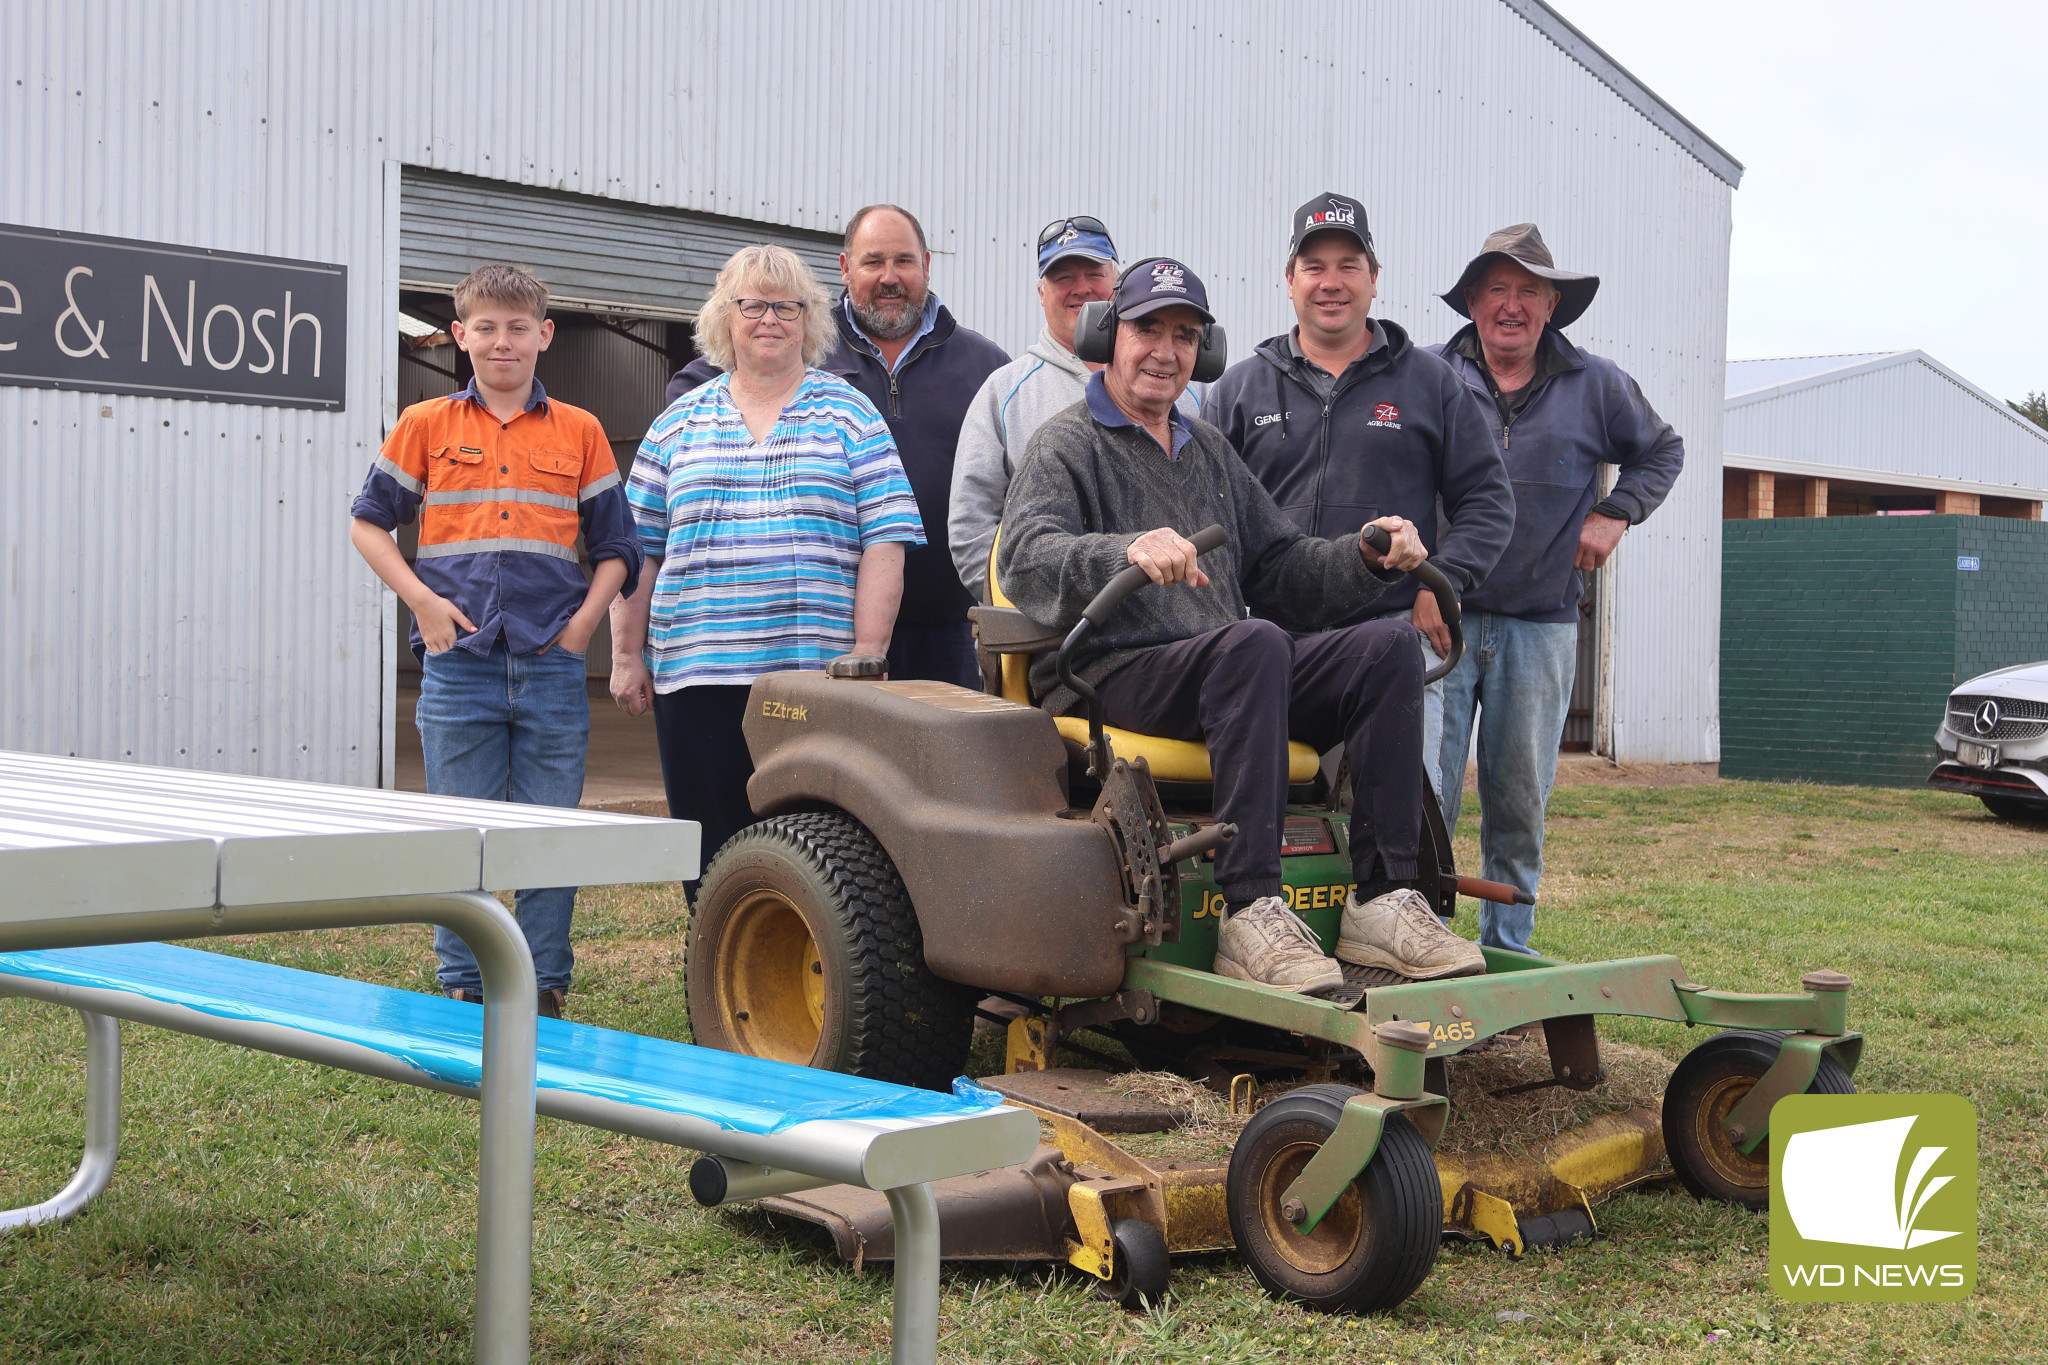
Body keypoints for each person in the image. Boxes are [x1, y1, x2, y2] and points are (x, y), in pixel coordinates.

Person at [998, 256, 1485, 994]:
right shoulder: (1065, 445)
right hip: (1112, 673)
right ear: (1107, 335)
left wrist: (1368, 557)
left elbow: (1284, 566)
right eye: (1147, 329)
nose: (1166, 351)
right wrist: (1123, 548)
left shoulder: (1209, 452)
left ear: (1206, 352)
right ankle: (1250, 909)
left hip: (1224, 672)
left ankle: (1383, 899)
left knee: (1388, 645)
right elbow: (1029, 561)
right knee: (1255, 643)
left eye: (1186, 335)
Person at [350, 263, 639, 1018]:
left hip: (550, 663)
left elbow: (617, 548)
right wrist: (423, 602)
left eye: (518, 327)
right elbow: (368, 522)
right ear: (459, 336)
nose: (501, 341)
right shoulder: (424, 424)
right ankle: (466, 984)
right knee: (462, 832)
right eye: (486, 327)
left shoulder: (581, 432)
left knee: (550, 832)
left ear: (545, 335)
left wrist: (582, 629)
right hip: (459, 667)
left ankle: (541, 983)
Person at [609, 245, 924, 893]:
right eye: (753, 304)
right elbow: (636, 553)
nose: (770, 319)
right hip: (695, 679)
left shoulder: (852, 415)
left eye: (787, 306)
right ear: (725, 318)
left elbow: (886, 542)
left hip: (813, 680)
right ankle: (720, 977)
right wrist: (624, 655)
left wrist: (868, 650)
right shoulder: (676, 425)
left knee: (818, 856)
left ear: (809, 320)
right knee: (711, 858)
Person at [1202, 193, 1513, 796]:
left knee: (1394, 819)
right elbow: (1205, 516)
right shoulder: (1238, 389)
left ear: (1374, 279)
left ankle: (1397, 894)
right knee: (1277, 816)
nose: (1331, 283)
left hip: (1395, 638)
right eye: (1314, 267)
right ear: (1289, 281)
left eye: (1349, 265)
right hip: (1269, 644)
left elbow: (1489, 501)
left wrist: (1438, 582)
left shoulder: (1432, 384)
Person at [1428, 224, 1685, 954]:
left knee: (1517, 803)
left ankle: (1507, 948)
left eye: (1529, 292)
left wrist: (1615, 512)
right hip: (1435, 618)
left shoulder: (1596, 383)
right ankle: (1421, 948)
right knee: (1421, 795)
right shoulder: (1428, 376)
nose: (1512, 305)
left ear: (1552, 305)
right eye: (1498, 288)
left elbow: (1663, 449)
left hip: (1539, 626)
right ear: (1473, 300)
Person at [666, 206, 1006, 688]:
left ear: (927, 265)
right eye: (873, 262)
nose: (889, 277)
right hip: (834, 636)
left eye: (904, 261)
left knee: (943, 762)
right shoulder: (804, 344)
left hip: (947, 628)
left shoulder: (984, 364)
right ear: (845, 268)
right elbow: (715, 383)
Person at [949, 216, 1200, 603]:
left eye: (1093, 273)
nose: (1081, 288)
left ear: (1117, 286)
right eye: (1062, 277)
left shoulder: (1185, 391)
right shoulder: (1004, 392)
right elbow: (972, 526)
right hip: (1059, 634)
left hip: (1177, 626)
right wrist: (1029, 609)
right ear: (1041, 292)